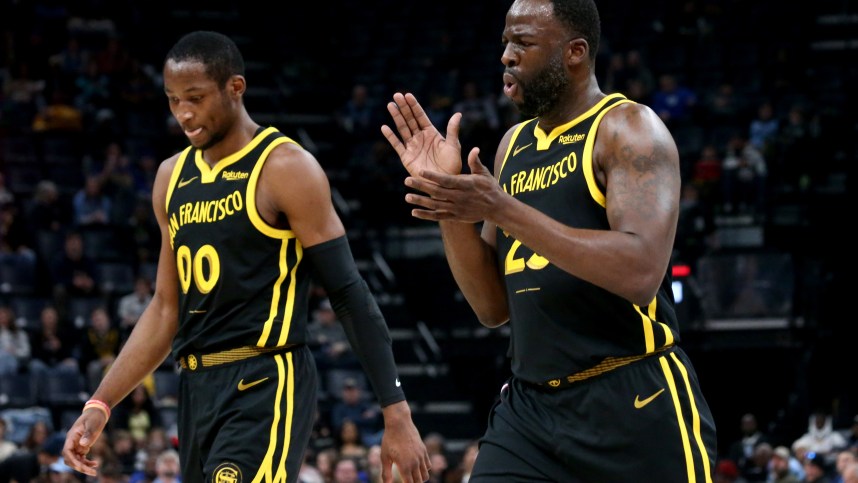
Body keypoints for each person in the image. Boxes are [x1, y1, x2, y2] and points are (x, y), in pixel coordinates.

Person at [62, 30, 430, 483]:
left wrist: (396, 412)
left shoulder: (285, 167)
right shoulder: (170, 178)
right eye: (173, 99)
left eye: (195, 98)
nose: (184, 113)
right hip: (195, 388)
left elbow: (349, 292)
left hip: (265, 379)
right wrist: (100, 403)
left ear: (235, 88)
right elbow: (164, 309)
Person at [381, 0, 717, 481]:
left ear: (575, 52)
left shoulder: (628, 130)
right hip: (530, 411)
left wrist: (502, 209)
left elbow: (641, 272)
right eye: (505, 43)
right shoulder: (513, 145)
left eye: (524, 42)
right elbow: (492, 308)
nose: (506, 56)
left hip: (633, 399)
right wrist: (450, 201)